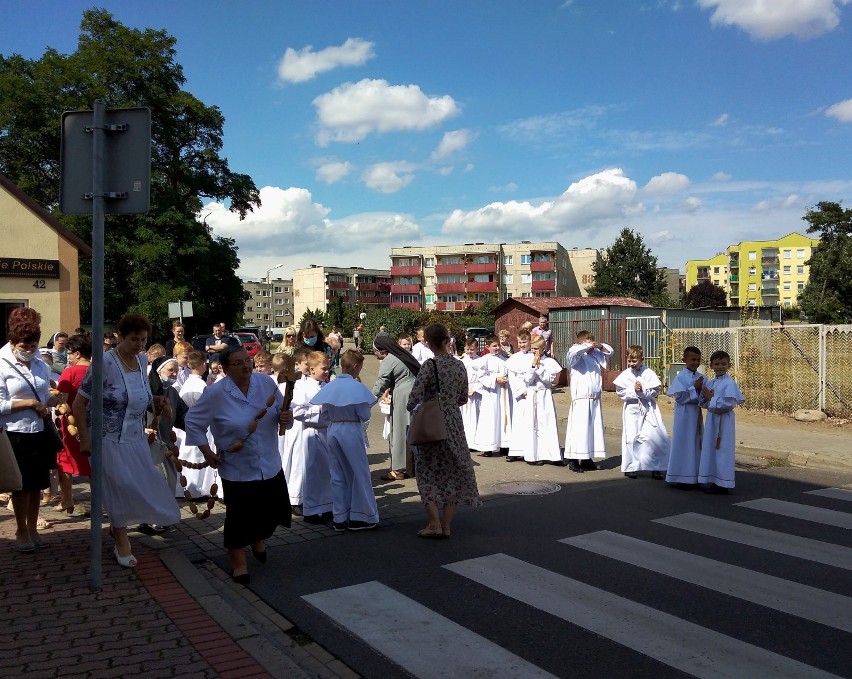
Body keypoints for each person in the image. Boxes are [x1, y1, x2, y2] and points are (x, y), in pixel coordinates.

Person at [73, 314, 181, 567]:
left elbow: (137, 396)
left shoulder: (143, 362)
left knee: (142, 485)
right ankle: (122, 540)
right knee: (119, 487)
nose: (139, 345)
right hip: (107, 437)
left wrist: (155, 401)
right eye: (134, 339)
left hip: (135, 437)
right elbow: (79, 403)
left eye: (143, 340)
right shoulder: (105, 362)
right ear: (120, 337)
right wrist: (85, 439)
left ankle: (118, 526)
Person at [183, 345, 293, 584]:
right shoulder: (216, 393)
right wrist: (206, 450)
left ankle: (256, 538)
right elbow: (192, 421)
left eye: (248, 360)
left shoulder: (265, 383)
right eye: (238, 363)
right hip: (237, 466)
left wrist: (286, 417)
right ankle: (238, 562)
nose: (246, 366)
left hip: (269, 461)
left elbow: (283, 411)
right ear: (224, 368)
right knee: (239, 516)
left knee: (270, 512)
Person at [0, 308, 66, 552]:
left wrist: (55, 398)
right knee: (21, 486)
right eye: (24, 345)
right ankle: (21, 529)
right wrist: (28, 403)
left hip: (39, 429)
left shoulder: (40, 363)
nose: (29, 350)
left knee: (37, 484)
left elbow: (44, 394)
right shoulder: (1, 362)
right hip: (13, 431)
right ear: (13, 341)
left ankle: (33, 528)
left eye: (33, 345)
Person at [407, 323, 480, 538]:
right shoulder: (460, 366)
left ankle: (434, 524)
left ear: (429, 343)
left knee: (428, 472)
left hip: (432, 424)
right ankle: (447, 526)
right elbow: (462, 398)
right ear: (447, 341)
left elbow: (413, 399)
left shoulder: (430, 366)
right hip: (454, 424)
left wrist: (420, 405)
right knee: (452, 473)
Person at [310, 350, 379, 531]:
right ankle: (363, 516)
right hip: (350, 428)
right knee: (359, 472)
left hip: (333, 429)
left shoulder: (329, 386)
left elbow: (324, 414)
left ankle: (340, 517)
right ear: (356, 366)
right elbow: (364, 414)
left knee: (338, 473)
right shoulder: (356, 387)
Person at [505, 332, 563, 465]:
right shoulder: (525, 360)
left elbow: (551, 380)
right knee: (531, 424)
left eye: (536, 349)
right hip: (529, 394)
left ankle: (551, 454)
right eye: (533, 348)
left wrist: (538, 368)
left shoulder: (549, 361)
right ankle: (531, 454)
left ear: (543, 349)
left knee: (547, 423)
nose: (533, 351)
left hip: (544, 395)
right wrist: (533, 368)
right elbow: (525, 379)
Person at [289, 350, 333, 524]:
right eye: (324, 368)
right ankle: (312, 510)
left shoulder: (327, 385)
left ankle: (328, 506)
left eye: (328, 368)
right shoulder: (302, 387)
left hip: (326, 432)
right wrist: (318, 409)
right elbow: (297, 411)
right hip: (312, 434)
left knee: (328, 473)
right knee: (313, 474)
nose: (327, 371)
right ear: (312, 369)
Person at [613, 346, 669, 479]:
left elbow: (655, 390)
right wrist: (634, 391)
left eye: (635, 361)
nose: (632, 364)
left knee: (652, 436)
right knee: (631, 436)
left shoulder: (648, 373)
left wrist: (643, 391)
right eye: (629, 361)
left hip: (649, 408)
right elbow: (620, 392)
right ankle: (630, 465)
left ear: (642, 359)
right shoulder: (626, 374)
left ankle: (655, 466)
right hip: (632, 408)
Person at [372, 334, 420, 481]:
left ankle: (398, 469)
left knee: (399, 431)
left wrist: (368, 401)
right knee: (414, 431)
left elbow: (381, 382)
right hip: (417, 393)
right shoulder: (404, 355)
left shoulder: (390, 359)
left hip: (403, 396)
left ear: (382, 350)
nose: (375, 355)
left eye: (375, 352)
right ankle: (415, 466)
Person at [564, 330, 613, 473]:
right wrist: (586, 345)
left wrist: (599, 346)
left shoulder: (595, 355)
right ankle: (573, 459)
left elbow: (610, 351)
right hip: (581, 398)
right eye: (589, 341)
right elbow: (574, 353)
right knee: (578, 430)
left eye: (593, 340)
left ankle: (586, 459)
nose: (592, 344)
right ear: (582, 342)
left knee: (591, 431)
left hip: (595, 398)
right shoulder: (575, 353)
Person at [55, 333, 93, 515]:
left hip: (72, 424)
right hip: (94, 422)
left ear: (77, 354)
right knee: (94, 464)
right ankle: (98, 500)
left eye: (69, 353)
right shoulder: (97, 370)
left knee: (65, 462)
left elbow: (61, 399)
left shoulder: (70, 372)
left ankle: (67, 499)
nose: (68, 357)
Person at [698, 350, 744, 494]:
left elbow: (729, 403)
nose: (720, 367)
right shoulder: (711, 382)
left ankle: (723, 483)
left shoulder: (729, 383)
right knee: (711, 450)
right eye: (716, 364)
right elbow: (703, 402)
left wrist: (712, 398)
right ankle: (713, 479)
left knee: (723, 451)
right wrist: (705, 398)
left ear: (729, 365)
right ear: (711, 365)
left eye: (723, 364)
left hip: (724, 422)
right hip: (712, 419)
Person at [177, 351, 220, 500]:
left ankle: (185, 488)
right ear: (203, 365)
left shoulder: (186, 384)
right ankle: (195, 490)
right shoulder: (201, 385)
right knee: (197, 456)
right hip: (201, 424)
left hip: (187, 424)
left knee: (190, 454)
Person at [665, 346, 705, 489]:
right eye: (692, 359)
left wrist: (702, 392)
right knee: (684, 443)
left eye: (698, 359)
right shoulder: (681, 377)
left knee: (696, 443)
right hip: (684, 414)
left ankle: (695, 475)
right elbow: (680, 397)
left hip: (696, 414)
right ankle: (682, 477)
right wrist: (695, 388)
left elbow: (705, 396)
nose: (695, 362)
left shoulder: (701, 376)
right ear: (684, 360)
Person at [278, 347, 311, 515]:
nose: (309, 367)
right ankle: (294, 498)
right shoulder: (292, 382)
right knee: (296, 462)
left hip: (306, 427)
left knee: (304, 462)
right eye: (307, 364)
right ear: (297, 364)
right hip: (295, 427)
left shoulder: (308, 380)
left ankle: (304, 495)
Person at [472, 335, 511, 457]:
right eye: (494, 346)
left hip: (503, 392)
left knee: (503, 416)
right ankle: (488, 447)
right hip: (491, 393)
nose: (497, 347)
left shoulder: (503, 359)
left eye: (498, 345)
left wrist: (506, 379)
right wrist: (495, 380)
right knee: (490, 417)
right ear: (487, 347)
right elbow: (481, 377)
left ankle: (504, 444)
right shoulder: (485, 360)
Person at [458, 336, 482, 450]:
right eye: (467, 349)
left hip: (475, 392)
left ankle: (474, 442)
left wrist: (475, 388)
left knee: (475, 416)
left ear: (477, 349)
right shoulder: (462, 360)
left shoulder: (480, 361)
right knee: (464, 417)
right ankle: (464, 441)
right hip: (464, 391)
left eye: (472, 350)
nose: (469, 352)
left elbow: (482, 377)